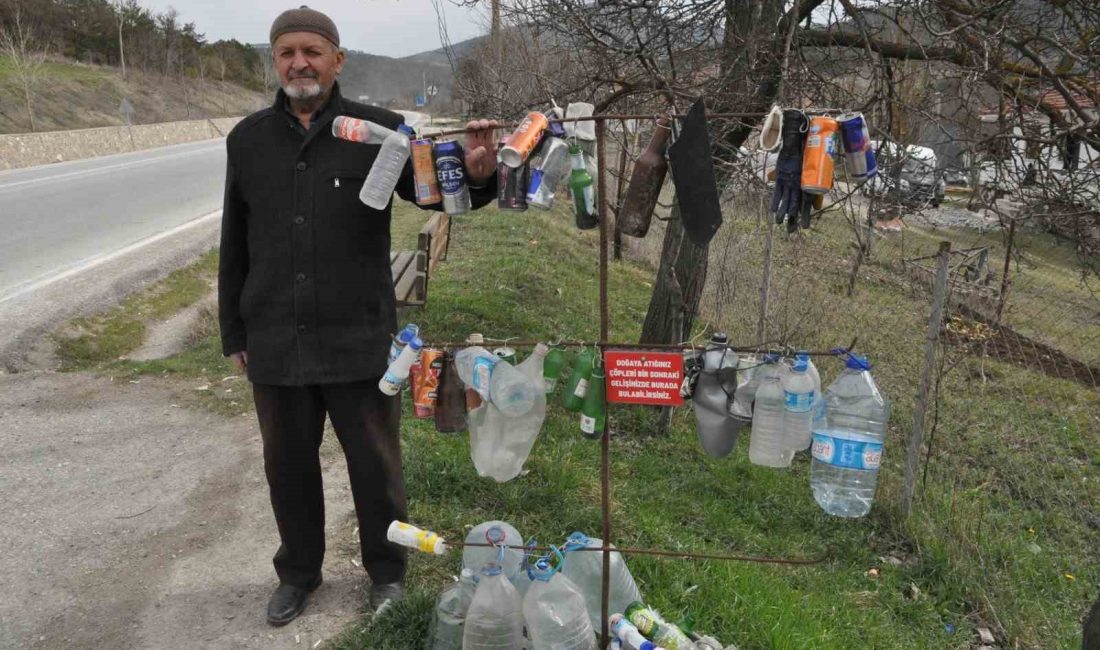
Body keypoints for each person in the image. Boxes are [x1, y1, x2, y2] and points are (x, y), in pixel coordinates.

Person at [218, 5, 499, 626]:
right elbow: (233, 241)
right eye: (287, 52)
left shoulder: (380, 130)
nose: (300, 63)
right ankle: (299, 573)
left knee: (375, 466)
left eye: (312, 52)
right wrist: (233, 331)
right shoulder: (247, 140)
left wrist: (478, 177)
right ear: (275, 60)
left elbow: (432, 191)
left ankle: (388, 573)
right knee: (287, 467)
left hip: (360, 336)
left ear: (337, 60)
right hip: (275, 336)